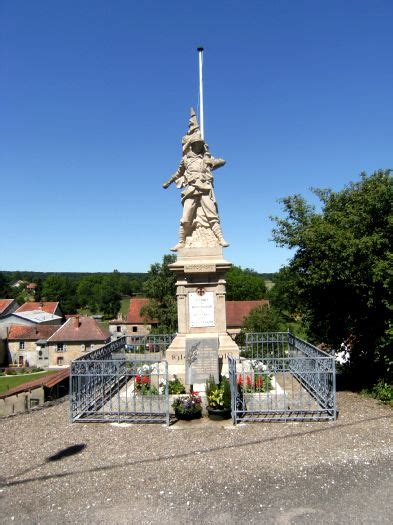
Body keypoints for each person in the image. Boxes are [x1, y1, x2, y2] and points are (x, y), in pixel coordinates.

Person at [163, 124, 229, 251]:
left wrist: (209, 157)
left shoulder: (206, 158)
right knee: (186, 217)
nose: (198, 146)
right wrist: (168, 182)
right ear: (192, 145)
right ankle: (181, 241)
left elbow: (223, 162)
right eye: (196, 144)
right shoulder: (185, 159)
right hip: (191, 189)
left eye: (200, 144)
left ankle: (220, 239)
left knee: (212, 214)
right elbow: (178, 173)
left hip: (205, 189)